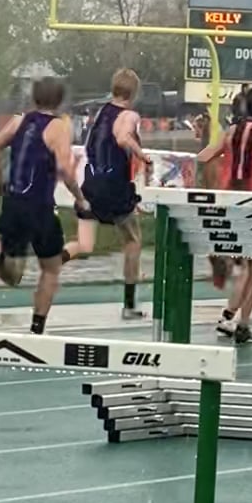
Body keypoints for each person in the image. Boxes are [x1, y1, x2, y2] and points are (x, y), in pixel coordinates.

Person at [0, 76, 90, 334]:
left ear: (34, 98)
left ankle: (3, 260)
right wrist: (80, 198)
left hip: (13, 202)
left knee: (13, 276)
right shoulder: (58, 127)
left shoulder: (21, 120)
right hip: (39, 208)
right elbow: (65, 169)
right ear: (60, 101)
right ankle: (37, 327)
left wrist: (0, 179)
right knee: (51, 268)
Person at [198, 83, 252, 342]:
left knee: (245, 267)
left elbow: (204, 156)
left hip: (229, 204)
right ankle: (240, 322)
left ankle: (229, 316)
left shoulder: (231, 131)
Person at [69, 69, 149, 320]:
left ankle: (51, 262)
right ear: (134, 93)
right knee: (133, 240)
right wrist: (142, 154)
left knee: (84, 242)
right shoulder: (129, 115)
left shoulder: (102, 111)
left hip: (91, 185)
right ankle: (129, 304)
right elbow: (123, 137)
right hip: (114, 187)